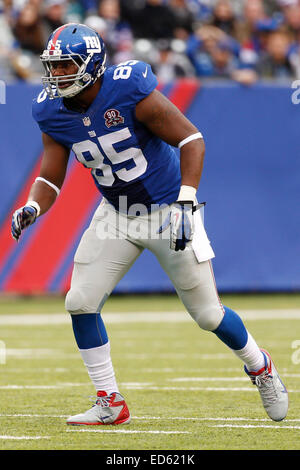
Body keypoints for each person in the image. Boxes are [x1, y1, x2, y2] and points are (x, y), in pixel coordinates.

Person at [11, 23, 288, 426]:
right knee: (80, 302)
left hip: (168, 210)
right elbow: (51, 176)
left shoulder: (128, 88)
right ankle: (110, 401)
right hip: (116, 215)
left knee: (208, 315)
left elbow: (191, 139)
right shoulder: (50, 110)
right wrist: (33, 206)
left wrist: (187, 202)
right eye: (52, 66)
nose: (56, 76)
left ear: (91, 64)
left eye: (65, 66)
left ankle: (259, 365)